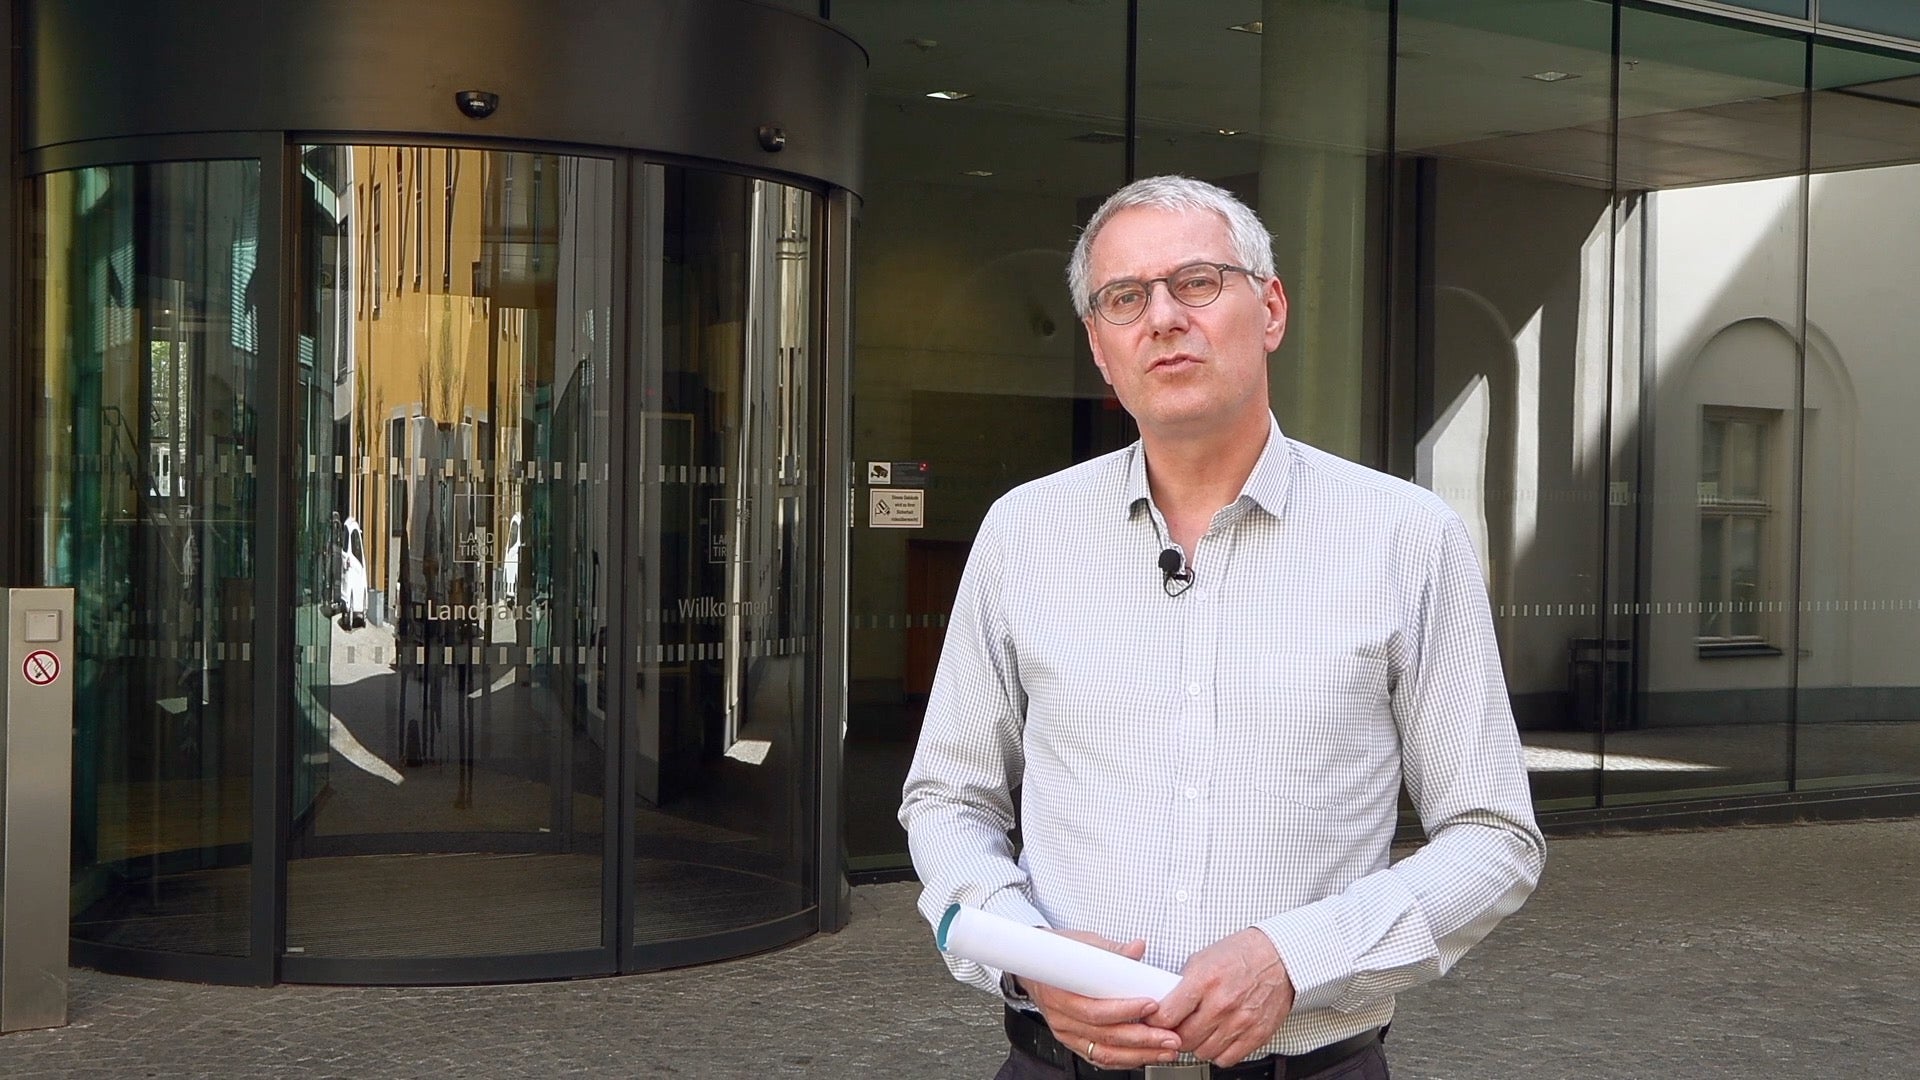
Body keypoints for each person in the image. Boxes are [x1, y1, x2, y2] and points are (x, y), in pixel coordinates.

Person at [899, 175, 1545, 1080]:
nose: (1163, 318)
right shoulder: (1024, 534)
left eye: (1197, 282)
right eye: (1125, 298)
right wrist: (1023, 951)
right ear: (1099, 347)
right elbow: (947, 800)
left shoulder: (1405, 538)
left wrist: (1296, 958)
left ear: (1270, 308)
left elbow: (1492, 835)